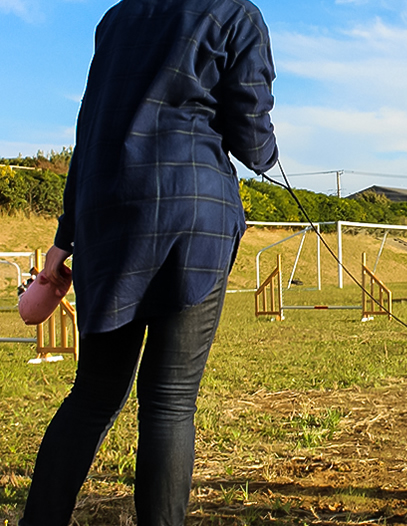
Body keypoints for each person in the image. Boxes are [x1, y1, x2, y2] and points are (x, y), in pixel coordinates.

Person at [20, 1, 277, 525]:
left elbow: (88, 125)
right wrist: (268, 156)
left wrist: (64, 236)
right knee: (170, 400)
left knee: (92, 393)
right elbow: (251, 130)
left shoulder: (115, 19)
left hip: (106, 215)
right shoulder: (235, 13)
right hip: (192, 212)